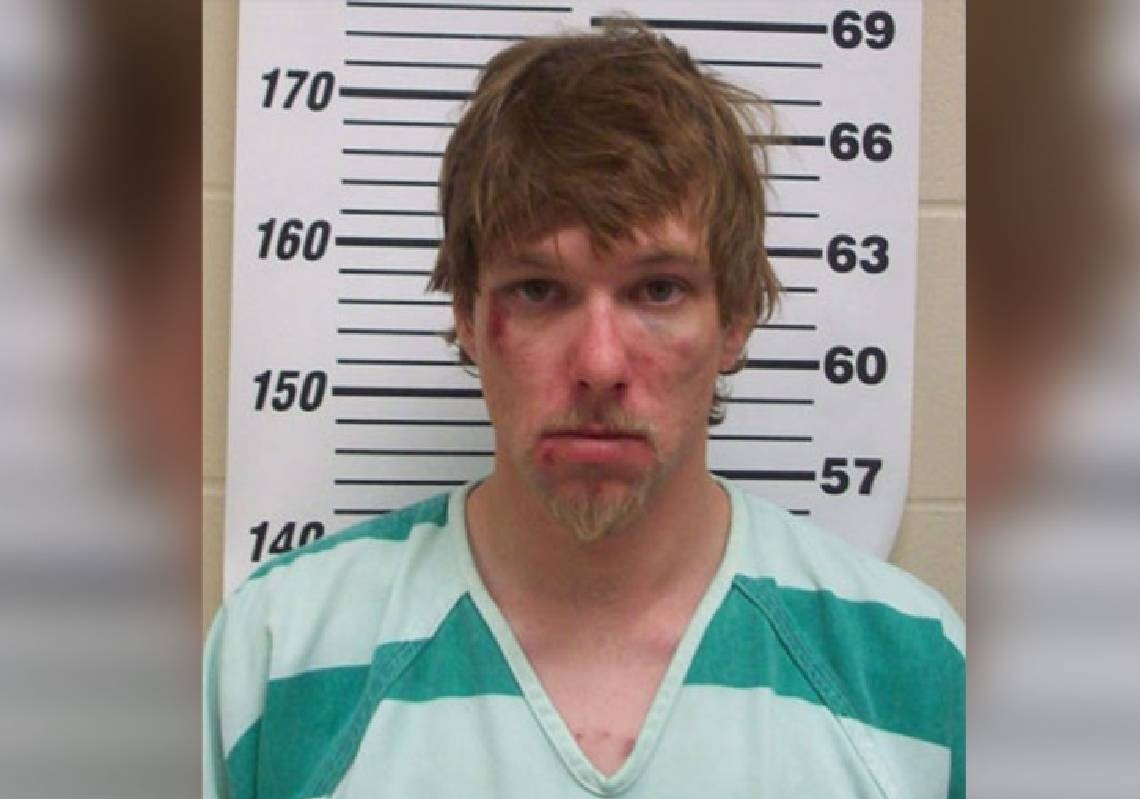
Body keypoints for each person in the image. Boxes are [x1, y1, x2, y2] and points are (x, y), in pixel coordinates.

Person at [205, 21, 963, 799]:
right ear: (467, 313)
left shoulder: (917, 673)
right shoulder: (275, 656)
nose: (600, 364)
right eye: (539, 290)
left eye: (658, 289)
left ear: (735, 318)